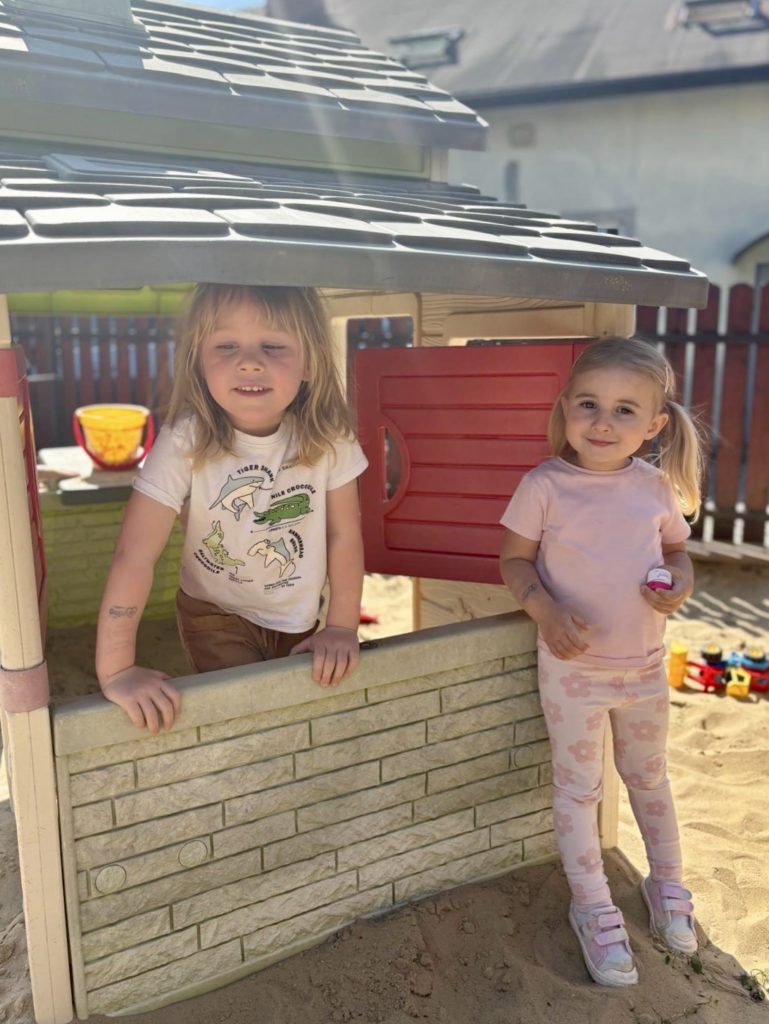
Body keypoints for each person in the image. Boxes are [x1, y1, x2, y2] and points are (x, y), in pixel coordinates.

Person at [499, 337, 704, 988]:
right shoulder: (544, 485)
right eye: (588, 404)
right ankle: (592, 906)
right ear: (565, 407)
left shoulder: (654, 487)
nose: (603, 422)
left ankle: (666, 885)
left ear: (654, 425)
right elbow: (513, 561)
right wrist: (545, 612)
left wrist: (679, 584)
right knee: (578, 790)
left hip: (643, 668)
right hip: (573, 674)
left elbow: (677, 554)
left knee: (649, 778)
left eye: (624, 410)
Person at [96, 284, 367, 734]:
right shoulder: (185, 441)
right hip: (214, 613)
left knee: (291, 718)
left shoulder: (329, 438)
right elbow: (136, 554)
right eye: (226, 346)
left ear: (311, 361)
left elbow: (344, 535)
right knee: (246, 717)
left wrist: (341, 626)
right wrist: (117, 669)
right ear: (199, 362)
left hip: (298, 614)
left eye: (272, 345)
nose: (249, 362)